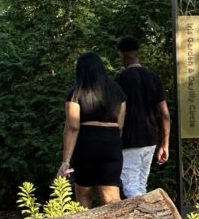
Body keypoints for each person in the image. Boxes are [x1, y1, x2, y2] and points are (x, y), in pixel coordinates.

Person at [58, 52, 127, 208]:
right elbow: (120, 125)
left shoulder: (77, 92)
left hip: (87, 144)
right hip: (112, 142)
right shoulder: (117, 91)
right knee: (111, 198)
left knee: (84, 195)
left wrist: (66, 161)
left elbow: (73, 127)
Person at [115, 35, 171, 198]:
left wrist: (115, 139)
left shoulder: (120, 79)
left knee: (131, 187)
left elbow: (119, 113)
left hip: (130, 140)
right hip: (150, 139)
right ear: (137, 53)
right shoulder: (153, 77)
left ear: (122, 55)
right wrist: (165, 144)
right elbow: (165, 114)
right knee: (140, 185)